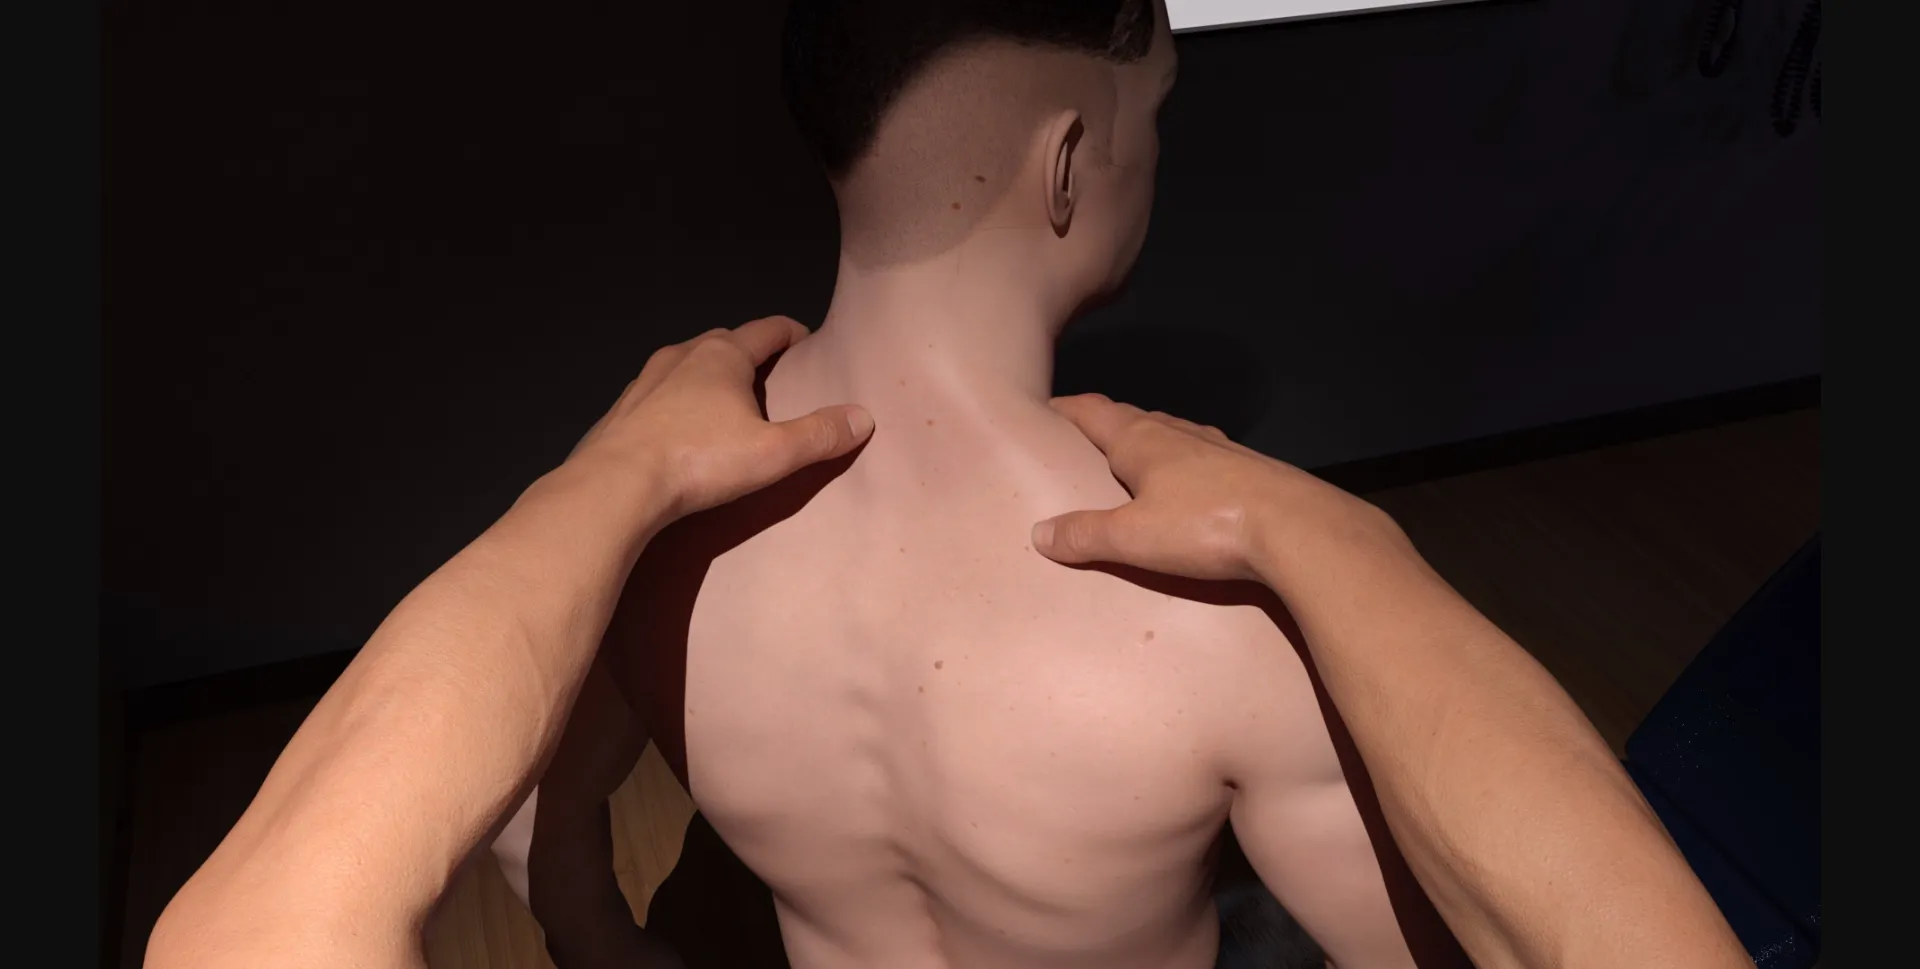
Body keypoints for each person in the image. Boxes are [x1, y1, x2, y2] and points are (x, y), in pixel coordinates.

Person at [482, 3, 1751, 969]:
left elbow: (534, 828)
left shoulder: (652, 523)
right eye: (1157, 109)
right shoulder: (1222, 616)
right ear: (1070, 159)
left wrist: (613, 950)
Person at [144, 316, 1749, 969]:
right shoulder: (1232, 641)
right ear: (1073, 161)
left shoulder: (666, 569)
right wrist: (1345, 550)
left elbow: (520, 855)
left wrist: (601, 494)